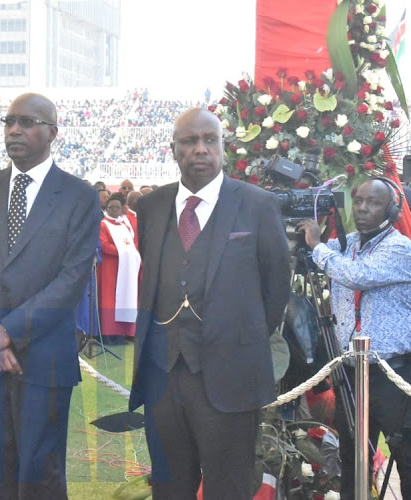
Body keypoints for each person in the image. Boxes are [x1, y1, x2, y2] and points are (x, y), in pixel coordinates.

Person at [129, 108, 290, 498]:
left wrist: (237, 337)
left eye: (209, 140)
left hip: (230, 376)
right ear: (173, 150)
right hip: (162, 375)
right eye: (189, 141)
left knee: (228, 488)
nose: (200, 149)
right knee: (168, 488)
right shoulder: (151, 208)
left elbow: (276, 289)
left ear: (223, 147)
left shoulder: (257, 204)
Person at [0, 92, 101, 499]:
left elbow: (72, 279)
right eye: (9, 121)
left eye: (27, 121)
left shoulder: (79, 196)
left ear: (53, 132)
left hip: (43, 357)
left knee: (40, 472)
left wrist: (8, 331)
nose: (15, 129)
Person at [299, 178, 411, 500]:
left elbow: (357, 275)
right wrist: (302, 237)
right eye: (358, 202)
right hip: (352, 372)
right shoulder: (347, 243)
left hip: (393, 373)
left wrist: (317, 246)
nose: (362, 209)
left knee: (408, 456)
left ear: (392, 209)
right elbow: (311, 258)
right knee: (352, 455)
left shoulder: (399, 247)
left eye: (372, 203)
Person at [98, 193, 140, 345]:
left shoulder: (124, 224)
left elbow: (131, 243)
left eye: (117, 207)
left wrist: (129, 252)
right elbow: (103, 245)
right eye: (111, 207)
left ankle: (122, 334)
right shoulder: (103, 224)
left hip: (126, 268)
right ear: (107, 209)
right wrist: (123, 251)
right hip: (110, 268)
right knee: (109, 302)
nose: (114, 210)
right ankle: (109, 336)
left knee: (125, 300)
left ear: (122, 209)